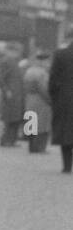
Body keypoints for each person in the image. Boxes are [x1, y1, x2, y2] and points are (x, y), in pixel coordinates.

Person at [49, 37, 73, 173]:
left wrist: (54, 97)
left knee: (66, 132)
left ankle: (67, 166)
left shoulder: (60, 54)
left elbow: (53, 79)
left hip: (64, 99)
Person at [0, 43, 25, 146]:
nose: (17, 53)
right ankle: (6, 140)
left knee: (15, 119)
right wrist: (6, 90)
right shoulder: (6, 61)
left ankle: (12, 140)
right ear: (10, 51)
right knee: (10, 118)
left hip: (17, 95)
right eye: (15, 51)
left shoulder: (14, 62)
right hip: (11, 95)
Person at [23, 50, 51, 154]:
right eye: (47, 61)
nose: (48, 63)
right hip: (41, 101)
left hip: (30, 99)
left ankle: (32, 147)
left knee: (31, 124)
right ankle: (40, 148)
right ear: (42, 61)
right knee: (42, 124)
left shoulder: (29, 71)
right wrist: (50, 101)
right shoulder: (42, 73)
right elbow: (43, 89)